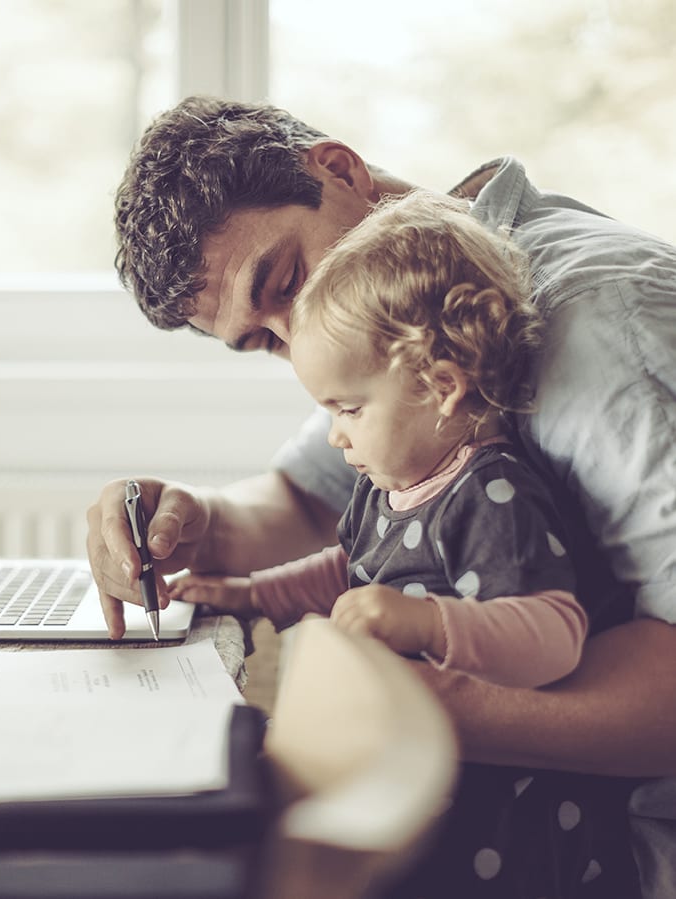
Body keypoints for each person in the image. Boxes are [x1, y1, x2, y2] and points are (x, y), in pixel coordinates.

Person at [87, 96, 676, 897]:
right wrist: (188, 521)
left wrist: (414, 707)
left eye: (286, 282)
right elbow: (311, 500)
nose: (299, 341)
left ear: (339, 170)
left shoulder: (596, 321)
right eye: (263, 339)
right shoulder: (393, 302)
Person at [170, 188, 601, 692]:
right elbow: (349, 570)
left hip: (478, 763)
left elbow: (555, 636)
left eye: (350, 410)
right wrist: (253, 595)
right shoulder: (387, 489)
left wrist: (425, 623)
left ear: (441, 387)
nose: (335, 436)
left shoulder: (489, 494)